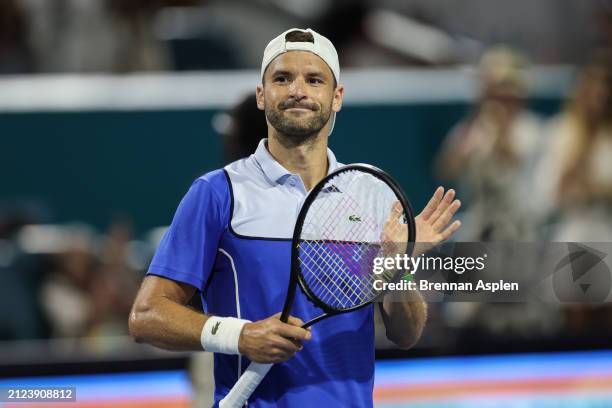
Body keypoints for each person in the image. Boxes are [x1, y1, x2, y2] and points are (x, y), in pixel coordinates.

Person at [129, 28, 461, 407]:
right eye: (282, 78)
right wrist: (241, 335)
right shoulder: (217, 193)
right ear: (261, 95)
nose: (297, 90)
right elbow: (147, 315)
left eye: (314, 79)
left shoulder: (371, 193)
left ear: (336, 97)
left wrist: (394, 267)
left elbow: (407, 333)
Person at [436, 47, 542, 240]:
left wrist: (503, 136)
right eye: (493, 90)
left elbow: (530, 185)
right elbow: (447, 171)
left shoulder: (531, 130)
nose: (500, 97)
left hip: (520, 229)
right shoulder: (473, 128)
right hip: (479, 225)